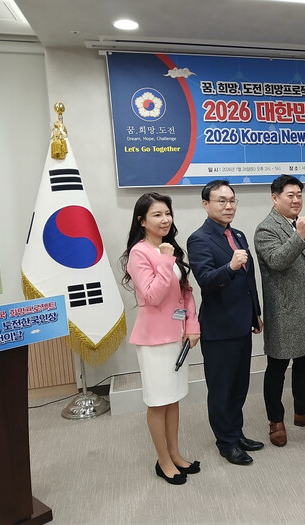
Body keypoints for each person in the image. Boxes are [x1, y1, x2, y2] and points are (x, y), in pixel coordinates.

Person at [121, 193, 201, 485]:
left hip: (178, 335)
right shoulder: (139, 253)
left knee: (173, 398)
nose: (165, 219)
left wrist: (192, 324)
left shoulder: (170, 248)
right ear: (141, 221)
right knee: (158, 401)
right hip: (154, 339)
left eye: (167, 213)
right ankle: (163, 460)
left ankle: (175, 454)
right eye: (157, 214)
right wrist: (166, 260)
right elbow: (152, 295)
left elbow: (185, 291)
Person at [186, 180, 264, 466]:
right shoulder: (199, 239)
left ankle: (236, 432)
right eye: (221, 201)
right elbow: (206, 280)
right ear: (205, 204)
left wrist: (255, 312)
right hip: (219, 327)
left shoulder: (238, 234)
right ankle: (226, 442)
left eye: (232, 200)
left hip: (242, 322)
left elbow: (248, 279)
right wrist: (229, 266)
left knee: (239, 385)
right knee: (221, 388)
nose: (228, 206)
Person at [254, 174, 305, 446]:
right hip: (284, 312)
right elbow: (276, 261)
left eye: (299, 194)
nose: (296, 199)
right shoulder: (266, 229)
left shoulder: (300, 224)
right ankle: (276, 420)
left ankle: (303, 411)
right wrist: (299, 235)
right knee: (277, 368)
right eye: (290, 195)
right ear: (275, 198)